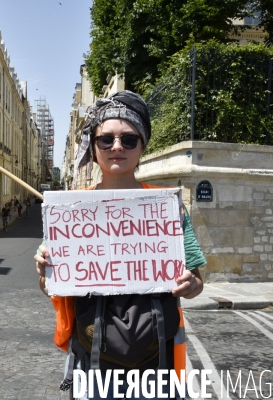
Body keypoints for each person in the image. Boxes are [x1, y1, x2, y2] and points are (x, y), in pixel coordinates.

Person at [33, 91, 206, 399]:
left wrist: (192, 284)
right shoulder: (71, 210)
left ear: (142, 145)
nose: (116, 147)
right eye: (106, 139)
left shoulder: (169, 206)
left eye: (129, 139)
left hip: (156, 362)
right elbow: (51, 286)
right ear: (94, 145)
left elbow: (196, 278)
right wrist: (45, 270)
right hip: (92, 360)